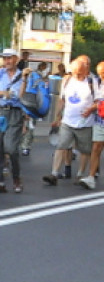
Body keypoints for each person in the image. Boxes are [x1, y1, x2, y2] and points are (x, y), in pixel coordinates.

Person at [43, 55, 95, 187]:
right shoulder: (67, 80)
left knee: (85, 150)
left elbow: (99, 101)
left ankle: (80, 174)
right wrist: (57, 117)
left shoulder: (92, 82)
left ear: (85, 70)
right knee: (61, 146)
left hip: (85, 122)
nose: (76, 75)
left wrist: (91, 109)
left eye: (79, 73)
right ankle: (54, 173)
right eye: (74, 72)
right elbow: (62, 100)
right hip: (68, 121)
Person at [0, 48, 26, 194]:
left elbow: (23, 96)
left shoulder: (23, 76)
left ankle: (16, 178)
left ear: (16, 59)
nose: (7, 61)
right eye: (5, 58)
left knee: (11, 148)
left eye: (10, 58)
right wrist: (4, 93)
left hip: (15, 112)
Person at [80, 60, 104, 190]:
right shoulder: (98, 82)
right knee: (96, 148)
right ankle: (91, 177)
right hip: (100, 120)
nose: (102, 76)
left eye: (103, 73)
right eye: (100, 73)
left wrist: (90, 109)